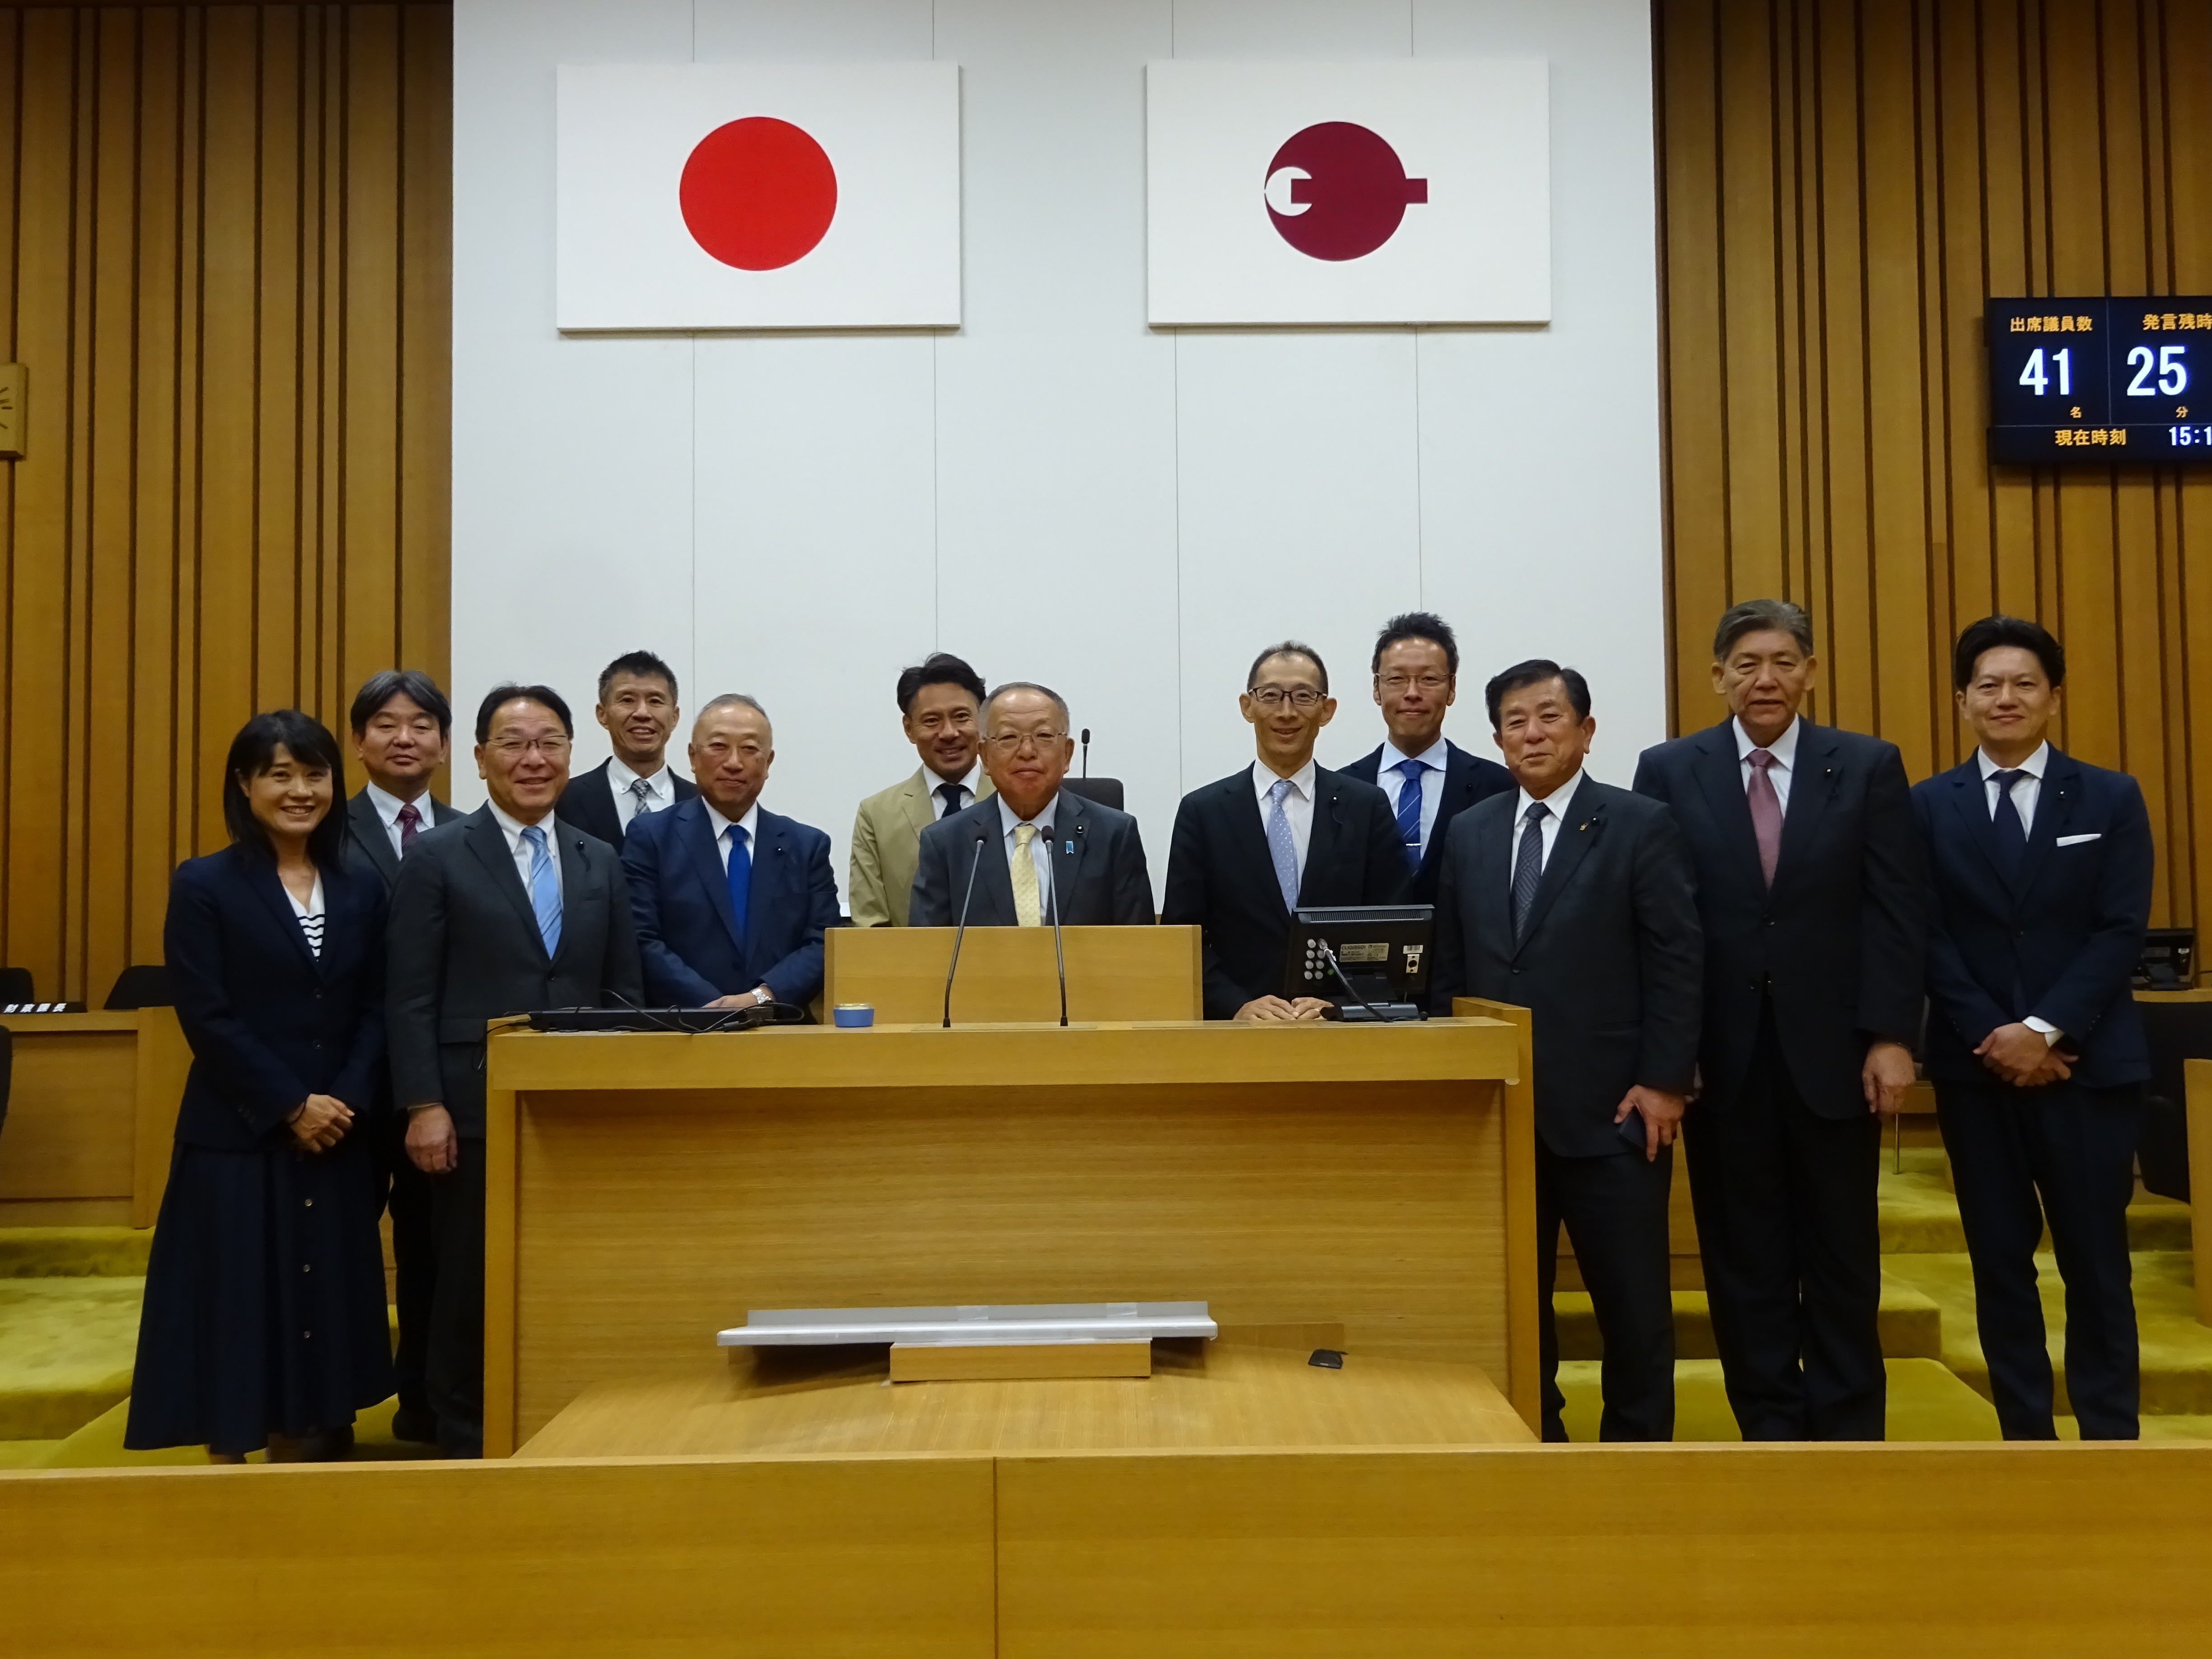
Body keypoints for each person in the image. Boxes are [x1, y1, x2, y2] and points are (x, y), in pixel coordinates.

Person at [1632, 598, 1925, 1441]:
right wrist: (1670, 1053)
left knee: (1841, 1255)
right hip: (1721, 1061)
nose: (1766, 678)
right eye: (1748, 663)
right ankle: (1769, 1426)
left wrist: (1892, 1035)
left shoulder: (1866, 766)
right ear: (1717, 675)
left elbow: (1896, 912)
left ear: (1810, 671)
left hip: (1836, 1056)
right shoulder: (1669, 769)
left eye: (1784, 661)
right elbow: (1662, 925)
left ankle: (1848, 1430)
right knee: (1743, 1259)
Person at [1429, 661, 1701, 1442]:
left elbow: (1677, 960)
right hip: (1502, 1114)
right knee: (1518, 1302)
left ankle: (1638, 1453)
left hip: (1615, 1111)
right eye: (1516, 721)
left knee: (1633, 1306)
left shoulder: (1640, 824)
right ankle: (1534, 1440)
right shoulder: (1472, 830)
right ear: (1495, 738)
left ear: (1585, 730)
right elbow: (1452, 965)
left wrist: (1663, 1082)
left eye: (1549, 717)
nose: (1533, 733)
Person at [126, 711, 394, 1462]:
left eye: (314, 774)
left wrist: (339, 1099)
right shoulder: (205, 882)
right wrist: (288, 1104)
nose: (300, 790)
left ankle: (306, 1454)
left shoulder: (360, 886)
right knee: (239, 1302)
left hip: (335, 1131)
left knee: (319, 1307)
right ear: (245, 786)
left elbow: (374, 1007)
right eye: (280, 774)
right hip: (239, 1136)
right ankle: (229, 1461)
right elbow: (206, 1012)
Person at [387, 684, 643, 1457]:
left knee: (567, 1267)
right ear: (478, 758)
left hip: (578, 1102)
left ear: (570, 752)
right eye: (514, 743)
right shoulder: (437, 855)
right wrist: (422, 1104)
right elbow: (408, 995)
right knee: (470, 1275)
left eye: (549, 743)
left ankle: (557, 1410)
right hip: (472, 1102)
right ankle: (463, 1428)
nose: (534, 759)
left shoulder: (599, 856)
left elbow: (623, 987)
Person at [1916, 615, 2152, 1440]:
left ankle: (2111, 1436)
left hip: (2085, 1067)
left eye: (2023, 683)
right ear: (1961, 700)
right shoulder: (1925, 806)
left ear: (2053, 694)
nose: (2005, 698)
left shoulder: (2109, 796)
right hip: (1976, 1071)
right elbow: (1928, 935)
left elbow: (2120, 929)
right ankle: (2025, 1437)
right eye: (1988, 685)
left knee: (2097, 1265)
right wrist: (1998, 1034)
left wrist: (2044, 1028)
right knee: (1999, 1265)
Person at [342, 668, 464, 1446]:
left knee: (429, 1251)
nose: (405, 737)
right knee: (341, 1252)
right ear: (358, 741)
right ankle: (329, 1400)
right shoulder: (321, 826)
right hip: (344, 1083)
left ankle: (421, 1397)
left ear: (447, 745)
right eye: (387, 723)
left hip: (433, 1085)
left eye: (421, 724)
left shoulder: (466, 834)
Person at [1162, 642, 1407, 1021]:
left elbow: (1394, 925)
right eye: (1272, 696)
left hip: (1340, 1031)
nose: (1287, 712)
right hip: (1238, 1032)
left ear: (1327, 710)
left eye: (1304, 697)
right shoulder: (1203, 812)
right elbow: (1185, 937)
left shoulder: (1366, 807)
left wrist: (1342, 1004)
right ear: (1248, 706)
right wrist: (1235, 1005)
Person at [623, 695, 841, 1009]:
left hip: (780, 1030)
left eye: (750, 749)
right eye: (719, 746)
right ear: (693, 756)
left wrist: (760, 998)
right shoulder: (652, 837)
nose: (734, 763)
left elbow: (824, 942)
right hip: (682, 1029)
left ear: (768, 763)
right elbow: (641, 939)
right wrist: (716, 1006)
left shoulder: (807, 845)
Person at [909, 682, 1153, 927]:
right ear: (985, 757)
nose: (1027, 751)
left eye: (1044, 736)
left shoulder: (1114, 835)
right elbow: (926, 952)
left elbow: (1142, 947)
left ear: (1067, 754)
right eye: (1008, 737)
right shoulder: (946, 843)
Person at [1338, 611, 1514, 905]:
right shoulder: (1341, 790)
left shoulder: (1499, 786)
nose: (1412, 693)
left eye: (1429, 679)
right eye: (1396, 679)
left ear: (1452, 688)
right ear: (1376, 689)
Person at [849, 653, 993, 926]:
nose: (949, 733)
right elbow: (870, 924)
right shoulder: (877, 815)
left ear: (983, 720)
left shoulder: (1014, 800)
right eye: (931, 721)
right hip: (910, 966)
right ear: (909, 728)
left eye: (961, 716)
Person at [554, 650, 696, 848]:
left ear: (675, 717)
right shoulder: (563, 799)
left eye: (655, 701)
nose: (642, 713)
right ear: (602, 714)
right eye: (627, 700)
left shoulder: (702, 802)